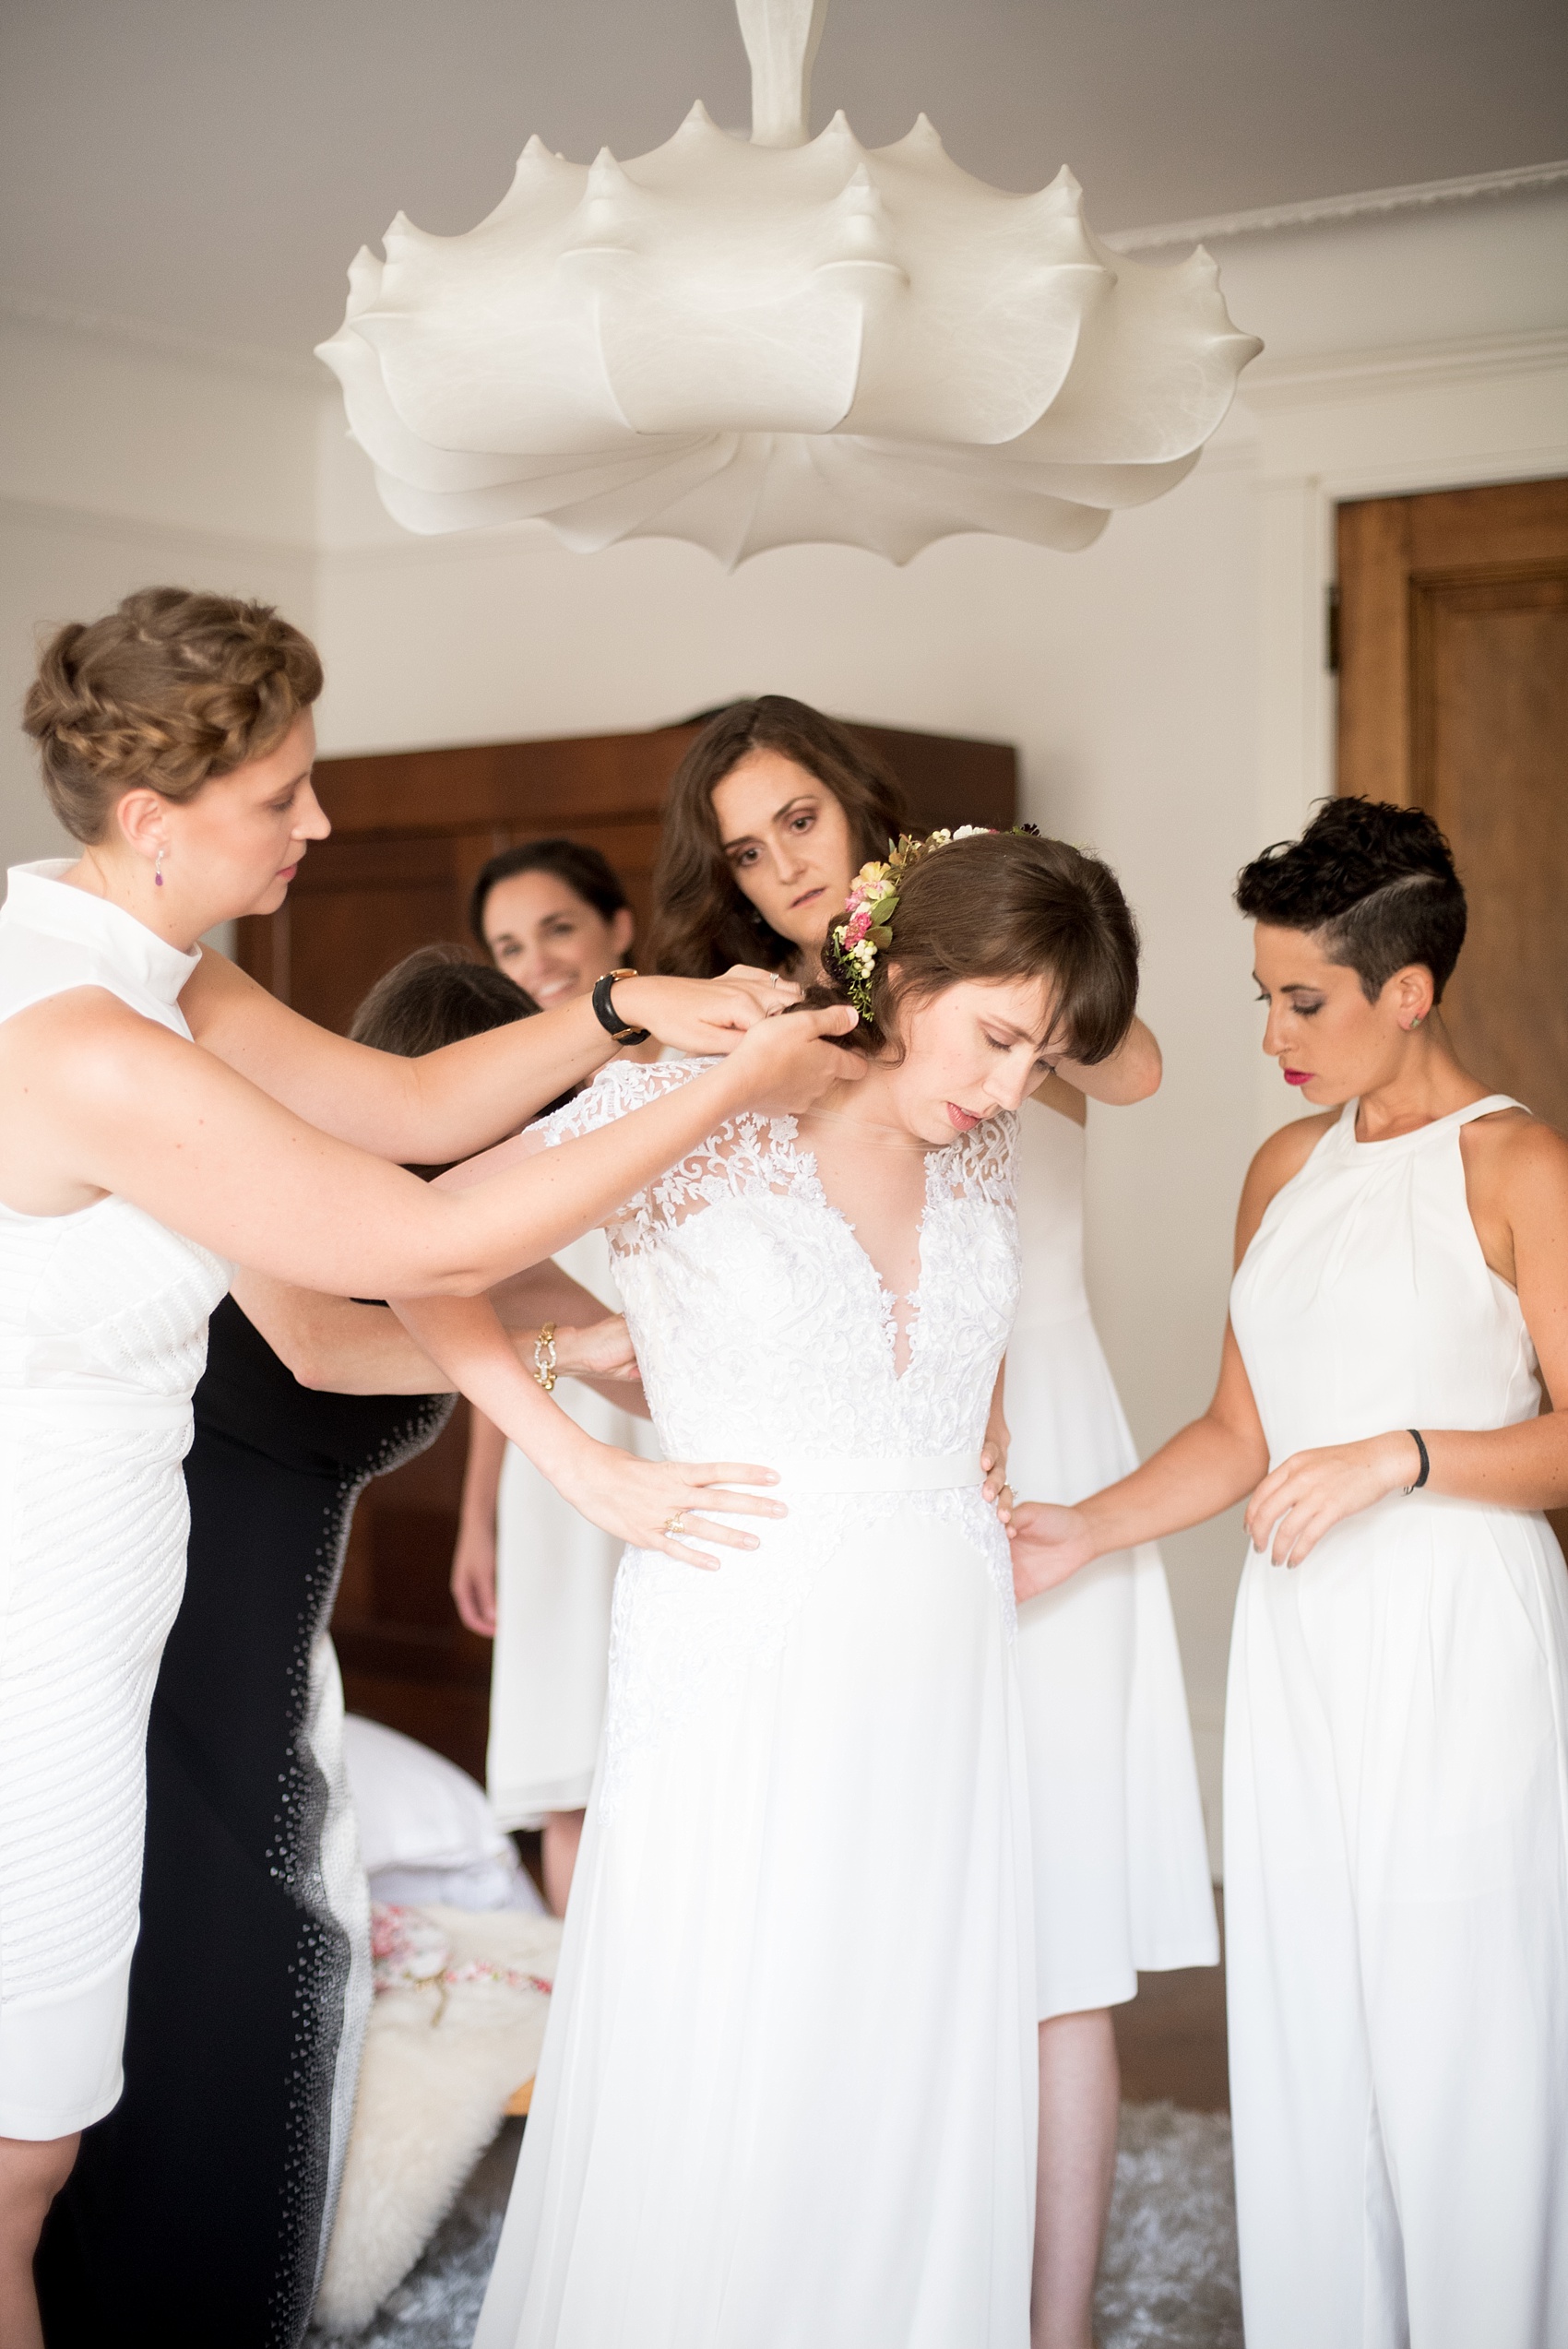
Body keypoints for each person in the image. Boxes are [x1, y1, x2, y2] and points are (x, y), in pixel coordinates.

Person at [0, 588, 856, 2346]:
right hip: (40, 1630)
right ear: (154, 820)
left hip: (109, 1602)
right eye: (282, 795)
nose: (320, 822)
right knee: (17, 2158)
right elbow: (414, 1219)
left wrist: (630, 1009)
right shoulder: (81, 1040)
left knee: (35, 2134)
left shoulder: (147, 970)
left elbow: (393, 1107)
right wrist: (737, 1080)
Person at [398, 825, 1145, 2349]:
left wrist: (973, 1464)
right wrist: (574, 1455)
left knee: (913, 2032)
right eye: (1000, 1037)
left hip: (941, 1643)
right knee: (748, 2029)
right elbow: (417, 1248)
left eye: (1042, 1054)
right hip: (743, 1630)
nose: (1012, 1087)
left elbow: (950, 1350)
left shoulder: (977, 1140)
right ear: (911, 971)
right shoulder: (703, 1089)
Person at [649, 695, 1216, 2349]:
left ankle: (1052, 2324)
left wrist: (995, 925)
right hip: (882, 1455)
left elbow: (1146, 1064)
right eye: (744, 854)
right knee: (895, 1898)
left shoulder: (990, 941)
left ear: (860, 810)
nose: (778, 873)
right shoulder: (788, 1026)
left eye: (800, 827)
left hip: (1043, 1417)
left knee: (1060, 1908)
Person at [1009, 798, 1568, 2349]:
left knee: (1462, 2024)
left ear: (1410, 988)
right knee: (1309, 2016)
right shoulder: (1282, 1168)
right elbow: (1239, 1429)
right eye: (1263, 996)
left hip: (1460, 1631)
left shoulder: (1519, 1165)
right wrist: (1085, 1523)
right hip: (1301, 1637)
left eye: (1303, 1000)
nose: (1273, 1035)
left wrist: (1402, 1452)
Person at [33, 946, 640, 2349]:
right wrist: (561, 1354)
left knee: (261, 1959)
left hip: (261, 1644)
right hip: (153, 1617)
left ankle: (215, 2292)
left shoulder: (488, 1249)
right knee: (197, 1946)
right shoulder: (280, 1181)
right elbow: (312, 1343)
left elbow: (656, 1352)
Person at [456, 841, 660, 1914]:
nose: (532, 961)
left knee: (658, 1740)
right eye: (505, 945)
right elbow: (498, 1314)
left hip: (664, 1439)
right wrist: (479, 1512)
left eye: (556, 930)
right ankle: (571, 2035)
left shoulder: (688, 1089)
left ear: (620, 930)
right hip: (547, 1450)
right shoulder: (499, 1108)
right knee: (564, 1750)